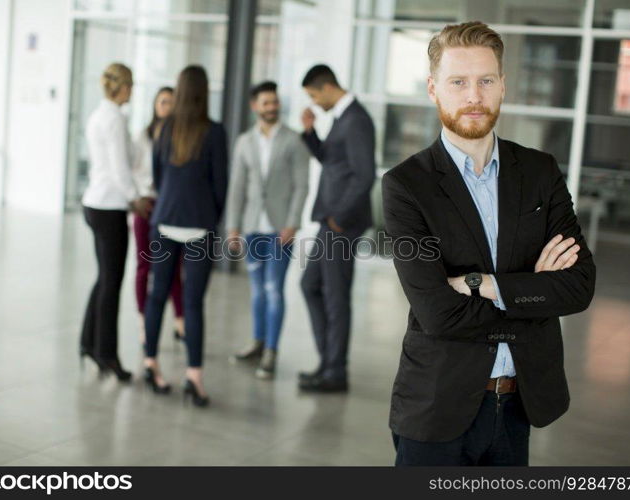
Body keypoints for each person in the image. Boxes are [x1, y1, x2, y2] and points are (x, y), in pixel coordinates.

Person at [382, 21, 596, 466]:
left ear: (503, 87)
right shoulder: (406, 185)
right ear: (433, 89)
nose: (473, 95)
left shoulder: (540, 172)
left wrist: (481, 284)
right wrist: (532, 293)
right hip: (435, 409)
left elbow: (578, 286)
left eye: (486, 81)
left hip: (518, 406)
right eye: (458, 82)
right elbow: (438, 313)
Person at [143, 65, 228, 404]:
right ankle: (194, 377)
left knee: (156, 295)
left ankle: (150, 363)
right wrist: (213, 218)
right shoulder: (215, 132)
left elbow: (158, 177)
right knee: (192, 302)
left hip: (164, 222)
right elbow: (221, 184)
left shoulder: (164, 130)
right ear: (205, 92)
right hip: (198, 226)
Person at [297, 64, 376, 393]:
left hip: (340, 224)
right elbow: (334, 162)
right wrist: (310, 134)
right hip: (330, 222)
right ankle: (328, 363)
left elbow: (365, 174)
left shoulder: (356, 120)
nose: (315, 102)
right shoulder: (343, 119)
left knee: (335, 296)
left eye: (315, 96)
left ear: (328, 86)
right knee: (310, 285)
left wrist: (339, 218)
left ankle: (335, 372)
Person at [226, 81, 310, 379]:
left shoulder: (293, 141)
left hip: (279, 230)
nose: (272, 107)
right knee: (257, 290)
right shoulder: (244, 142)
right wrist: (233, 226)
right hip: (251, 229)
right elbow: (236, 187)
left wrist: (293, 222)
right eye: (266, 102)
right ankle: (258, 342)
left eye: (275, 102)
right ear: (255, 106)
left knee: (274, 289)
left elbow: (302, 185)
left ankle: (272, 350)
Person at [80, 62, 151, 382]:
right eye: (131, 84)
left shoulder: (100, 115)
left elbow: (124, 160)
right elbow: (121, 168)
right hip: (109, 206)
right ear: (120, 87)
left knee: (104, 278)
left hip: (95, 203)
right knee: (112, 282)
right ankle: (107, 354)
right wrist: (135, 198)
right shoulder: (115, 119)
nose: (133, 90)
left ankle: (88, 343)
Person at [131, 86, 186, 348]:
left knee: (173, 267)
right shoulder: (143, 136)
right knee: (145, 264)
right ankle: (143, 320)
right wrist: (135, 199)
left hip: (171, 207)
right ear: (155, 105)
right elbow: (131, 170)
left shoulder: (182, 137)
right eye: (163, 102)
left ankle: (180, 320)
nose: (168, 107)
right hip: (147, 204)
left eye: (172, 103)